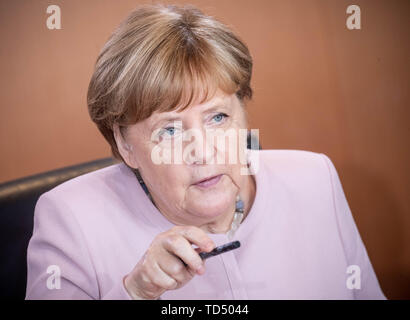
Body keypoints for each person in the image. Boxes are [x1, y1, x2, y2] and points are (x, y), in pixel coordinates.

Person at [25, 4, 386, 300]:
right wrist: (136, 293)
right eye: (169, 130)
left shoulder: (314, 179)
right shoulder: (72, 220)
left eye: (217, 116)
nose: (204, 150)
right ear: (124, 144)